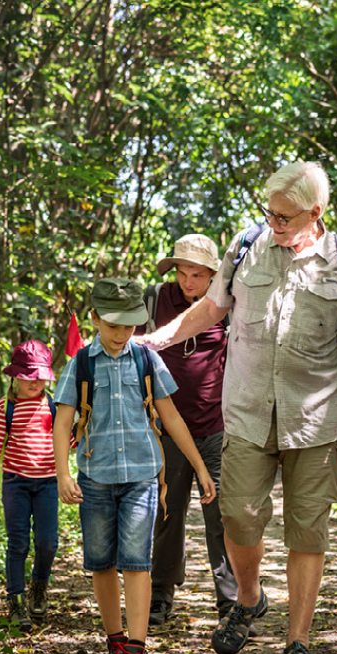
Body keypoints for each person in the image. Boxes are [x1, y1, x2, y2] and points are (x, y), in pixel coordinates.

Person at [137, 161, 337, 654]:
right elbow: (211, 309)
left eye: (286, 216)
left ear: (316, 213)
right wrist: (152, 341)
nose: (275, 223)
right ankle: (249, 598)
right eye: (269, 213)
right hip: (245, 411)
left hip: (316, 419)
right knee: (238, 517)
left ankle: (298, 643)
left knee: (307, 530)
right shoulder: (246, 246)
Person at [53, 278, 217, 654]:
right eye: (113, 325)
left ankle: (137, 651)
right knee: (102, 563)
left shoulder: (146, 360)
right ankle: (115, 644)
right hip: (95, 479)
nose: (121, 334)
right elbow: (62, 423)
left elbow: (172, 416)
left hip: (142, 477)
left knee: (137, 563)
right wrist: (62, 474)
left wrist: (198, 465)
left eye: (129, 326)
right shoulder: (81, 364)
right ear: (94, 319)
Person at [137, 234, 239, 626]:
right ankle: (161, 592)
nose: (188, 281)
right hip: (166, 427)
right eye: (182, 272)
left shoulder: (226, 304)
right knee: (168, 510)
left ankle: (230, 599)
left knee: (221, 514)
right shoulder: (156, 300)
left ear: (214, 274)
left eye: (197, 274)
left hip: (217, 424)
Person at [0, 339, 60, 632]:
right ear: (15, 376)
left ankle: (39, 586)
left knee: (48, 542)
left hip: (48, 483)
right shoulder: (5, 408)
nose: (35, 383)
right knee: (18, 543)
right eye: (29, 377)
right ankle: (15, 599)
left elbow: (69, 442)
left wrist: (82, 428)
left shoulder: (53, 406)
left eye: (40, 377)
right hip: (16, 483)